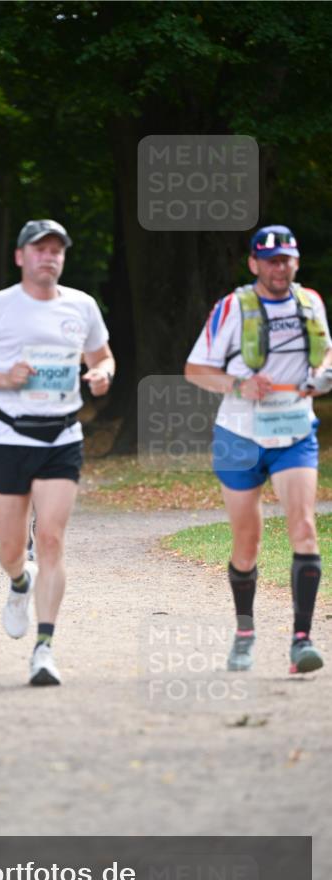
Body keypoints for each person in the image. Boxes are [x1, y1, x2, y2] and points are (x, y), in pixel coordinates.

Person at [0, 220, 115, 685]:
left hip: (61, 437)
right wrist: (3, 379)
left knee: (51, 541)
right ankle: (19, 582)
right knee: (8, 549)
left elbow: (103, 355)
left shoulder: (81, 305)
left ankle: (44, 649)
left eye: (57, 250)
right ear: (21, 257)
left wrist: (102, 374)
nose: (49, 256)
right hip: (6, 436)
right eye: (39, 249)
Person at [185, 224, 332, 674]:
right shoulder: (233, 307)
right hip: (239, 435)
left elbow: (326, 354)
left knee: (304, 527)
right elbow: (194, 369)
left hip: (293, 432)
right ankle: (245, 632)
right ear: (254, 264)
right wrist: (239, 384)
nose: (279, 266)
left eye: (286, 258)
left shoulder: (311, 303)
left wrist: (324, 374)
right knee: (247, 541)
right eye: (270, 259)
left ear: (296, 261)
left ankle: (301, 641)